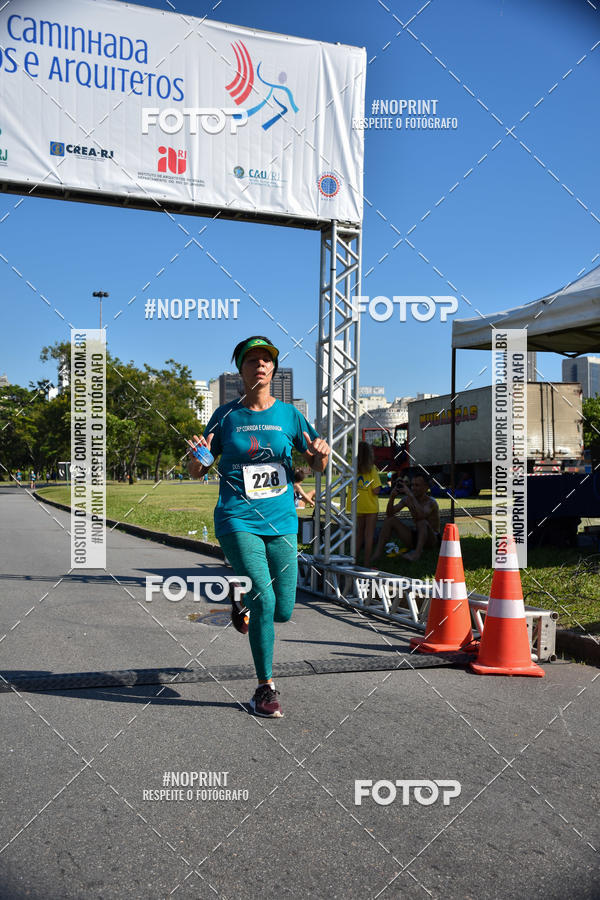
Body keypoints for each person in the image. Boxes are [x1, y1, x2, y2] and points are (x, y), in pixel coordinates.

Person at [187, 336, 330, 718]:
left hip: (282, 520)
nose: (261, 366)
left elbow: (315, 462)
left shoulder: (289, 415)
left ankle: (242, 601)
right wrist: (197, 458)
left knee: (282, 610)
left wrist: (320, 457)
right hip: (237, 518)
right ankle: (264, 688)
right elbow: (198, 467)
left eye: (267, 360)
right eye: (253, 360)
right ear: (241, 370)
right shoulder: (226, 416)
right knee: (264, 600)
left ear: (273, 369)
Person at [372, 472, 440, 563]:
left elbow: (421, 515)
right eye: (412, 485)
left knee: (421, 521)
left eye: (417, 485)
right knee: (390, 520)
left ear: (426, 487)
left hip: (431, 539)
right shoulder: (408, 499)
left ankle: (416, 554)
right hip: (416, 537)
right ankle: (376, 555)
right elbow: (389, 514)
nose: (413, 488)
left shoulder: (431, 502)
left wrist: (411, 495)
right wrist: (392, 497)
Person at [346, 441, 381, 567]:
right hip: (370, 507)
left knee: (358, 534)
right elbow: (376, 490)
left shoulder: (351, 468)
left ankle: (353, 560)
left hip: (356, 505)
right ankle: (366, 563)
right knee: (369, 535)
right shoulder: (372, 469)